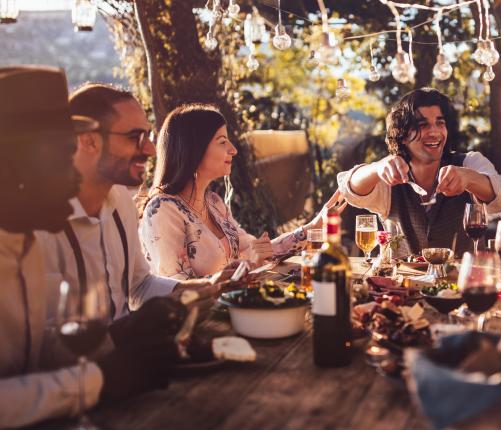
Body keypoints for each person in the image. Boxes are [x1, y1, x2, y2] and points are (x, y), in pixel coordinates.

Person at [0, 66, 185, 427]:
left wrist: (116, 335)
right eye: (59, 160)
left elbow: (31, 352)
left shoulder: (23, 244)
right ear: (11, 169)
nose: (74, 179)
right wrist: (99, 381)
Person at [34, 84, 214, 321]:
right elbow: (41, 339)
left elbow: (139, 286)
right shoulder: (39, 227)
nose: (150, 150)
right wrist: (123, 337)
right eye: (135, 137)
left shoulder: (121, 202)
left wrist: (207, 287)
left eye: (148, 136)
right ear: (88, 142)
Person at [139, 103, 344, 279]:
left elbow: (259, 251)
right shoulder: (162, 211)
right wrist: (247, 266)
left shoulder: (213, 203)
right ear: (194, 150)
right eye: (222, 141)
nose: (233, 149)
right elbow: (178, 290)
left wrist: (314, 226)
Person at [336, 87, 501, 255]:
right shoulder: (389, 176)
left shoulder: (470, 163)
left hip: (463, 285)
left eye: (440, 123)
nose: (434, 132)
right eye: (422, 125)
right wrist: (376, 168)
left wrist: (469, 178)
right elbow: (349, 188)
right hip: (402, 285)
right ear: (403, 135)